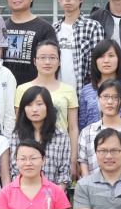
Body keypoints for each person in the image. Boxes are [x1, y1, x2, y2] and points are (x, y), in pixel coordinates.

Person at [15, 40, 78, 178]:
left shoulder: (69, 90)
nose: (47, 62)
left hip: (58, 148)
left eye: (52, 57)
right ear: (34, 61)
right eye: (42, 57)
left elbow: (73, 128)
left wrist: (73, 159)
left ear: (59, 61)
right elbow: (19, 123)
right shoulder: (22, 89)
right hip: (29, 151)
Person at [78, 80, 121, 177]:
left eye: (115, 97)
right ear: (98, 99)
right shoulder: (86, 132)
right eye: (105, 97)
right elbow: (84, 165)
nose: (110, 102)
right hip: (92, 186)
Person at [10, 86, 71, 187]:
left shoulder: (61, 135)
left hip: (53, 194)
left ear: (48, 107)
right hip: (23, 192)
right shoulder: (17, 135)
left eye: (39, 104)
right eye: (29, 105)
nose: (34, 109)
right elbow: (15, 170)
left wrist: (54, 194)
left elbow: (64, 173)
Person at [2, 0, 57, 85]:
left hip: (35, 91)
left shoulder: (44, 28)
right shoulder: (1, 27)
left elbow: (51, 62)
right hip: (5, 88)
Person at [53, 0, 105, 90]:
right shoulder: (53, 29)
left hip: (84, 92)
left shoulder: (93, 27)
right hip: (57, 93)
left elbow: (98, 65)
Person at [78, 39, 121, 130]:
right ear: (95, 60)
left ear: (118, 59)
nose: (106, 60)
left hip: (120, 138)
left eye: (111, 56)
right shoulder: (86, 91)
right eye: (101, 56)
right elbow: (82, 125)